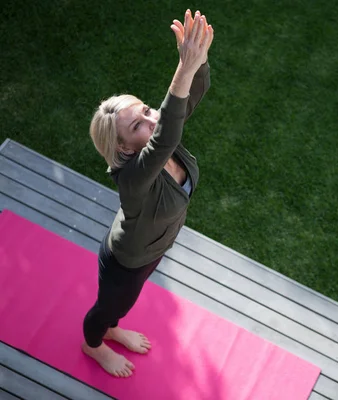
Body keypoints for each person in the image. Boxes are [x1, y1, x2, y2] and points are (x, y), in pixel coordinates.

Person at [83, 9, 214, 378]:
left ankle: (111, 327)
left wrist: (197, 61)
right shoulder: (134, 176)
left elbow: (186, 101)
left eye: (144, 109)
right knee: (107, 309)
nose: (151, 118)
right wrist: (182, 69)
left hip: (153, 248)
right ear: (124, 149)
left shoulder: (156, 137)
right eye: (139, 124)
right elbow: (167, 134)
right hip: (126, 262)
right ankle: (94, 344)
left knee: (123, 307)